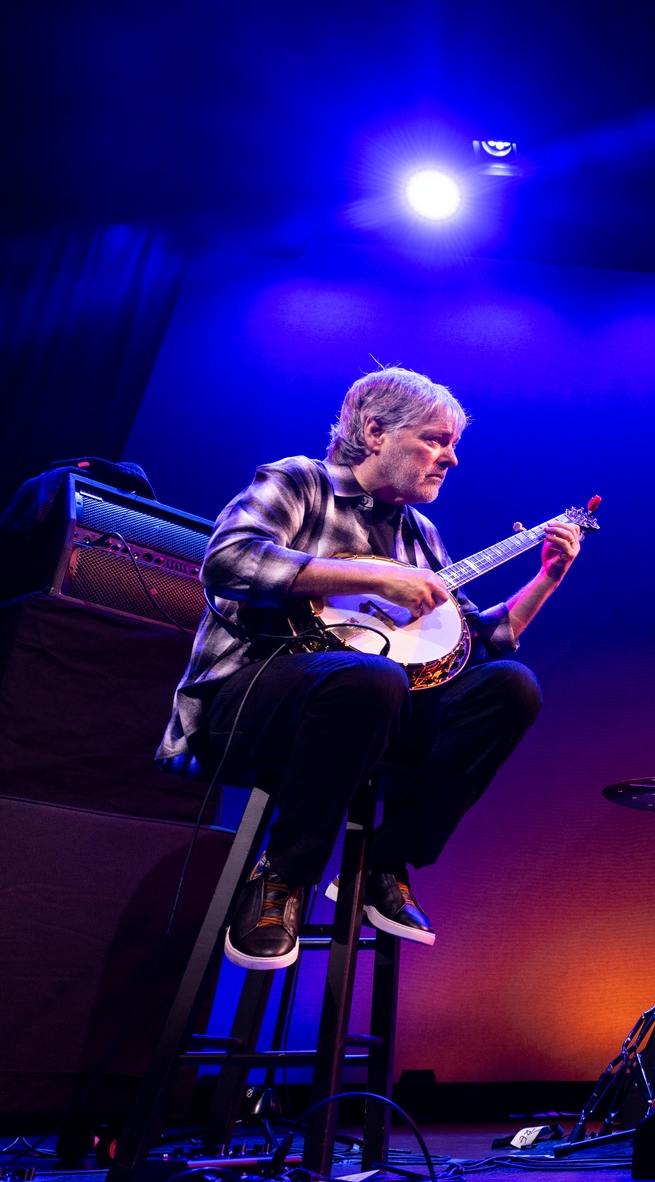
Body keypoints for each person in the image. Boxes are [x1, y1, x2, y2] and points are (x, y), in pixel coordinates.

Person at [157, 367, 582, 970]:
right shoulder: (299, 482)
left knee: (510, 687)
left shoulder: (420, 535)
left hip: (368, 713)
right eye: (435, 440)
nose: (450, 459)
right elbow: (228, 560)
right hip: (250, 701)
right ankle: (282, 876)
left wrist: (546, 579)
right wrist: (374, 575)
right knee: (371, 678)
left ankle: (387, 862)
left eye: (454, 445)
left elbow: (481, 642)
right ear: (375, 431)